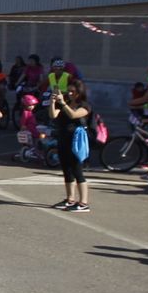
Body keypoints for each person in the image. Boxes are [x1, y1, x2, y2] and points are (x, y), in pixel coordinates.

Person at [49, 81, 92, 211]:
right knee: (67, 170)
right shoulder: (66, 103)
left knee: (77, 170)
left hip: (77, 141)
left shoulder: (85, 106)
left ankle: (83, 203)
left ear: (80, 92)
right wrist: (52, 102)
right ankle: (70, 199)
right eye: (69, 91)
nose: (70, 93)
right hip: (63, 139)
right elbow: (53, 115)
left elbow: (74, 115)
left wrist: (62, 103)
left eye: (73, 91)